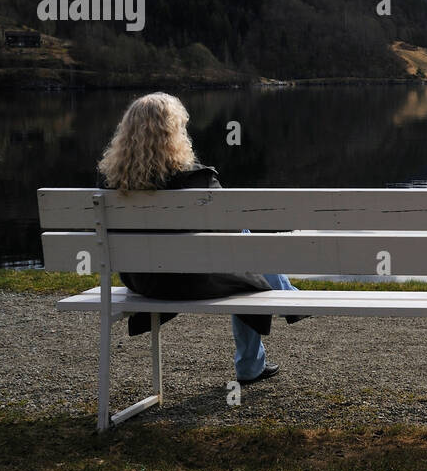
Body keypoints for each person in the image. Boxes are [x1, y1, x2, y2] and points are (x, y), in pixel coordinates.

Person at [96, 92, 300, 383]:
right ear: (174, 133)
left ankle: (287, 302)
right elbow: (231, 232)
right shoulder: (197, 180)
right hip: (187, 280)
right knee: (248, 259)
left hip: (143, 280)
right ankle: (262, 345)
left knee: (246, 252)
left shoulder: (107, 185)